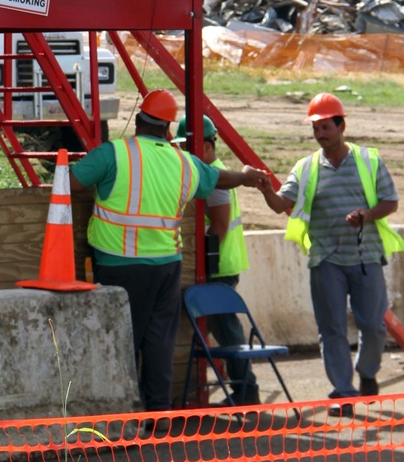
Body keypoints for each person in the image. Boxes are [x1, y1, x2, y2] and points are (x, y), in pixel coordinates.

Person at [71, 88, 268, 412]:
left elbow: (71, 181)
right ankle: (160, 411)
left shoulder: (113, 154)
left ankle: (126, 414)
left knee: (123, 340)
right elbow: (221, 178)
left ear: (137, 121)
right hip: (166, 266)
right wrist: (246, 177)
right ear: (167, 129)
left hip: (119, 264)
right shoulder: (185, 162)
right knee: (159, 341)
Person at [257, 92, 404, 410]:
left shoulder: (369, 160)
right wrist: (267, 189)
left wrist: (366, 215)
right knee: (332, 328)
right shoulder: (306, 167)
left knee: (373, 326)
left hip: (366, 257)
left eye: (326, 127)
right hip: (325, 259)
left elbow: (390, 202)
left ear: (342, 127)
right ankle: (344, 391)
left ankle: (367, 372)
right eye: (316, 128)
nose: (320, 134)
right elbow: (282, 204)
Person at [176, 113, 260, 405]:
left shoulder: (215, 180)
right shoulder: (214, 174)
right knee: (223, 332)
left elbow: (220, 228)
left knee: (228, 333)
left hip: (218, 266)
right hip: (220, 264)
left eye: (188, 147)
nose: (183, 154)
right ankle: (242, 389)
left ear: (207, 147)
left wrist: (199, 259)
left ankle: (246, 392)